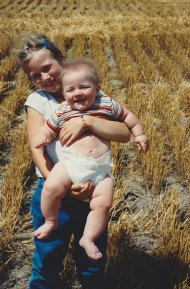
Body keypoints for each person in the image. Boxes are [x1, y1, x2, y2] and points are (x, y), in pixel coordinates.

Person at [18, 34, 132, 289]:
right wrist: (66, 188)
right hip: (55, 190)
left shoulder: (91, 94)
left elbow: (124, 133)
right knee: (47, 258)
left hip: (91, 191)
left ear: (60, 59)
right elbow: (38, 150)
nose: (44, 77)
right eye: (35, 75)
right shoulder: (39, 102)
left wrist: (86, 121)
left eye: (47, 68)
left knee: (92, 260)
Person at [33, 58, 149, 261]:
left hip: (100, 169)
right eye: (70, 90)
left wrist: (139, 135)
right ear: (64, 92)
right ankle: (50, 220)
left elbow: (129, 119)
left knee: (103, 204)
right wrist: (43, 136)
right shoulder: (62, 110)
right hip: (70, 164)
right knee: (51, 186)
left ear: (97, 88)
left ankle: (88, 238)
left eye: (83, 87)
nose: (76, 93)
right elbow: (48, 128)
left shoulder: (106, 104)